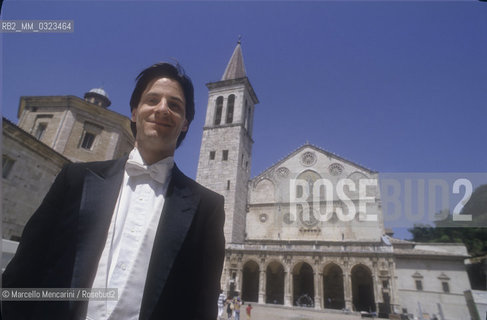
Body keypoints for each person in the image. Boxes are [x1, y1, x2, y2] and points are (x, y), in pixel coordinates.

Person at [1, 62, 225, 320]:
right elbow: (24, 272)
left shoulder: (207, 207)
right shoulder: (76, 179)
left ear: (185, 123)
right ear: (134, 112)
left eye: (174, 105)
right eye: (152, 100)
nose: (162, 108)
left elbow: (203, 304)